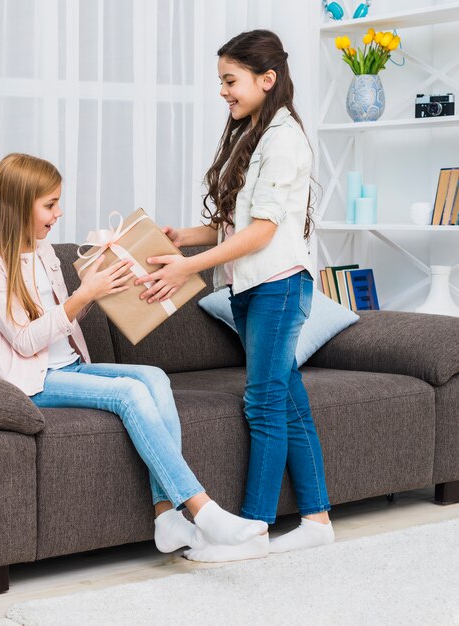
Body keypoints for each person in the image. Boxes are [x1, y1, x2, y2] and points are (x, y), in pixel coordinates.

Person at [0, 153, 269, 560]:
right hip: (33, 382)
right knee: (128, 394)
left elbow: (62, 325)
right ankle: (202, 508)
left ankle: (165, 517)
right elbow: (24, 340)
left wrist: (94, 292)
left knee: (154, 377)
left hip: (69, 366)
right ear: (19, 203)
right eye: (50, 204)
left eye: (58, 202)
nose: (59, 213)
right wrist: (83, 294)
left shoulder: (44, 252)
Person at [135, 30, 334, 562]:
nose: (223, 91)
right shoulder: (255, 133)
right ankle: (316, 518)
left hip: (279, 285)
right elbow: (237, 222)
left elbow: (264, 232)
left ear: (266, 80)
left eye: (230, 80)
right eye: (221, 81)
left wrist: (189, 268)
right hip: (252, 287)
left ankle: (254, 531)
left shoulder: (285, 139)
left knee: (264, 402)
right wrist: (187, 238)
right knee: (288, 398)